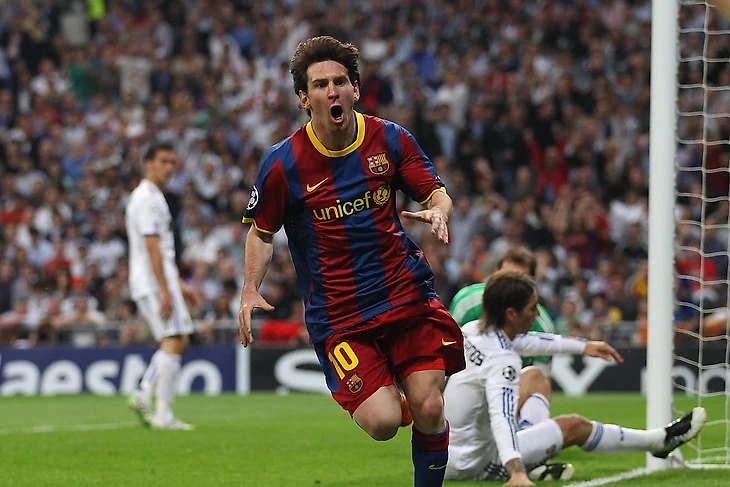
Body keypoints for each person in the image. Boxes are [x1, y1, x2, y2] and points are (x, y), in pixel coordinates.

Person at [238, 36, 465, 487]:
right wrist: (249, 288)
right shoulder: (283, 164)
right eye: (320, 84)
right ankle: (399, 393)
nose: (333, 91)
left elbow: (436, 193)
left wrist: (439, 210)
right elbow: (262, 231)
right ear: (304, 98)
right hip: (340, 315)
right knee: (382, 422)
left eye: (341, 81)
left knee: (431, 405)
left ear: (355, 89)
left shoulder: (390, 138)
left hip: (403, 294)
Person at [444, 270, 707, 485]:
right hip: (475, 461)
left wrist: (584, 346)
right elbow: (502, 417)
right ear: (511, 313)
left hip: (446, 449)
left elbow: (529, 341)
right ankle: (659, 441)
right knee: (574, 425)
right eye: (532, 308)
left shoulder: (473, 331)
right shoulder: (503, 361)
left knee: (534, 376)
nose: (537, 314)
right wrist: (517, 470)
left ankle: (536, 458)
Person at [126, 143, 202, 430]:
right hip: (154, 281)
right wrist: (165, 290)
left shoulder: (149, 196)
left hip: (155, 280)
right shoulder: (148, 199)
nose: (169, 168)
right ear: (148, 163)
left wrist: (179, 285)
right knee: (175, 339)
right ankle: (158, 408)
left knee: (177, 340)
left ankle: (147, 395)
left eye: (172, 162)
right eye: (163, 161)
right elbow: (152, 247)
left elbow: (161, 252)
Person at [450, 247, 556, 430]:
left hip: (508, 396)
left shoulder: (542, 326)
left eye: (519, 281)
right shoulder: (467, 303)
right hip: (465, 394)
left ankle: (525, 433)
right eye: (505, 278)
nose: (509, 288)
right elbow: (447, 358)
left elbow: (542, 383)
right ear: (494, 275)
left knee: (536, 378)